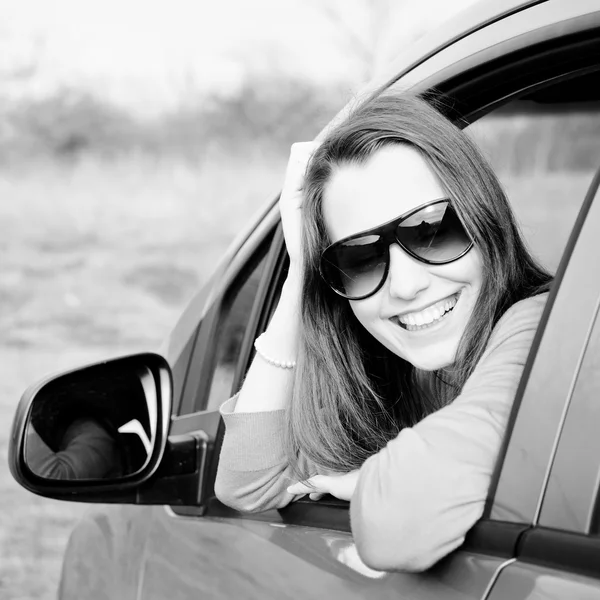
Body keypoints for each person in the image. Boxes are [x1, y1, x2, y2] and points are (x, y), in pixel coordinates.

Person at [214, 92, 552, 572]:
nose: (406, 284)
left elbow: (397, 526)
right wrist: (299, 276)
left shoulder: (540, 332)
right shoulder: (414, 378)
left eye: (433, 230)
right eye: (359, 259)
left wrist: (374, 482)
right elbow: (247, 485)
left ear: (486, 219)